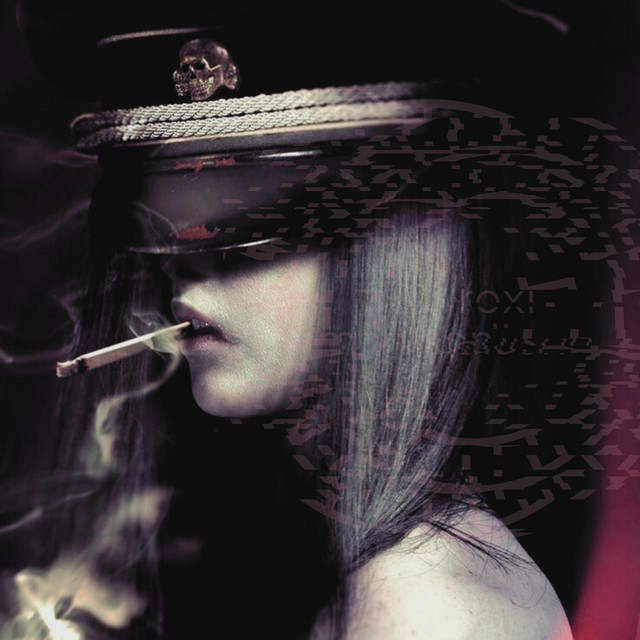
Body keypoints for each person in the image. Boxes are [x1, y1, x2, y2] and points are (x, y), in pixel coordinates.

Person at [2, 2, 597, 639]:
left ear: (389, 243)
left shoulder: (427, 611)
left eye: (245, 219)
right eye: (166, 219)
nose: (182, 263)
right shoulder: (349, 564)